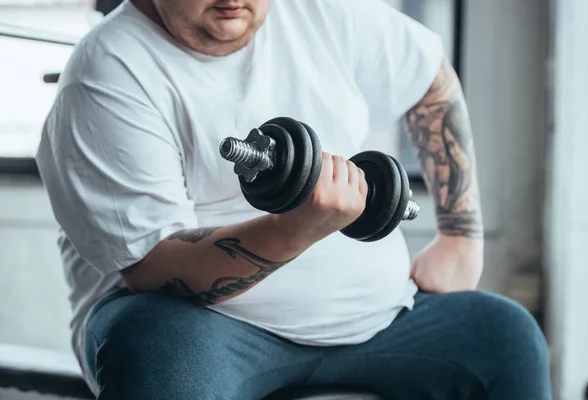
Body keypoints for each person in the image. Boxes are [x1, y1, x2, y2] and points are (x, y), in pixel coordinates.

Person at [35, 0, 552, 399]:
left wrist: (461, 235)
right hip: (204, 330)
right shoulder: (107, 72)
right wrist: (297, 228)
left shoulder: (318, 11)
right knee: (157, 355)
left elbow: (428, 73)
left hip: (380, 320)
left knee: (504, 336)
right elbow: (155, 266)